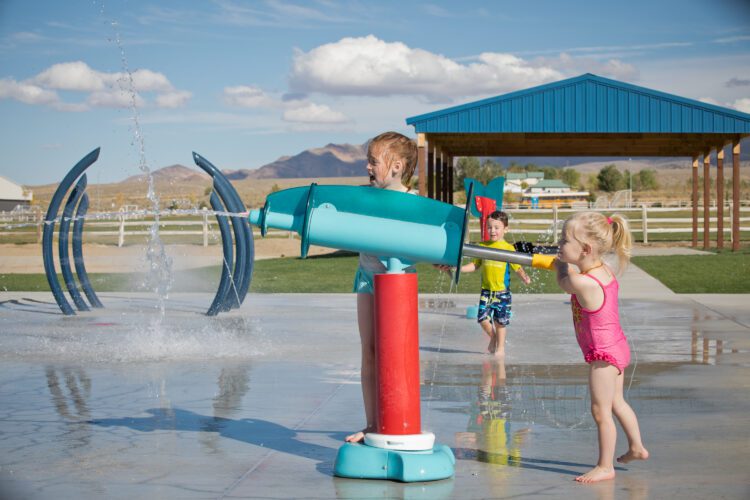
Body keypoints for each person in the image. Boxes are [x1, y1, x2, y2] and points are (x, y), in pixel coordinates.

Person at [554, 211, 649, 483]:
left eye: (563, 241)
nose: (559, 245)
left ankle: (605, 466)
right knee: (617, 402)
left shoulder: (581, 281)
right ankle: (637, 447)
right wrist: (565, 261)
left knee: (600, 411)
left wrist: (558, 264)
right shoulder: (601, 270)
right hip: (617, 346)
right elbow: (575, 272)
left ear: (585, 249)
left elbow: (564, 281)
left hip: (603, 357)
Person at [345, 131, 417, 444]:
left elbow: (424, 242)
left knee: (396, 353)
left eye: (374, 162)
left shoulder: (414, 202)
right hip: (366, 277)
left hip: (398, 284)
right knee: (369, 350)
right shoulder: (365, 197)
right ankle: (372, 423)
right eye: (368, 161)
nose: (368, 168)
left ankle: (398, 415)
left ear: (397, 166)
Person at [451, 211, 531, 356]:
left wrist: (524, 277)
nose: (492, 230)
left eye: (496, 227)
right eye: (489, 227)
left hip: (502, 292)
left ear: (506, 229)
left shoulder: (508, 248)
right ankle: (493, 338)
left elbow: (517, 266)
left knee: (500, 322)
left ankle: (500, 348)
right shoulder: (482, 246)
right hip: (486, 291)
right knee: (482, 319)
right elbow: (475, 265)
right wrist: (460, 269)